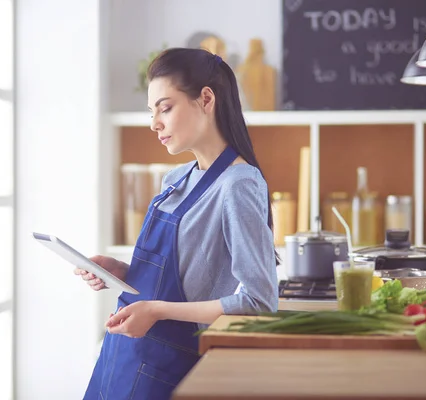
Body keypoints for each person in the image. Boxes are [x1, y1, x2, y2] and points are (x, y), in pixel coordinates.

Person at [76, 47, 279, 400]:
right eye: (151, 111)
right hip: (121, 355)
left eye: (165, 108)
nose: (155, 122)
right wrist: (119, 271)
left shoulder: (238, 185)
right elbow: (177, 276)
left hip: (169, 369)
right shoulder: (176, 178)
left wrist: (156, 310)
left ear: (205, 99)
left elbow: (259, 301)